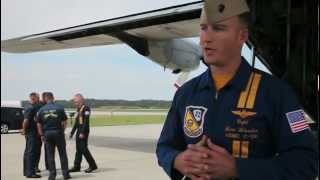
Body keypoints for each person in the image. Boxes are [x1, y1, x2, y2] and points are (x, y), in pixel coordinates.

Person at [156, 0, 318, 180]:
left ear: (242, 36)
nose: (205, 38)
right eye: (203, 28)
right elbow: (165, 147)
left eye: (218, 29)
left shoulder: (277, 94)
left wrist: (238, 168)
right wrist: (178, 160)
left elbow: (306, 163)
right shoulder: (186, 93)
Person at [36, 92, 71, 180]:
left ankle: (52, 175)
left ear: (45, 99)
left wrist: (41, 134)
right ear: (53, 97)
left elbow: (39, 123)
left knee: (50, 155)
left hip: (47, 134)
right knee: (62, 154)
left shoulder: (41, 109)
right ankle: (65, 174)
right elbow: (65, 121)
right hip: (58, 132)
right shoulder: (59, 108)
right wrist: (62, 131)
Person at [68, 93, 98, 173]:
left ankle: (93, 165)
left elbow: (86, 121)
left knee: (84, 149)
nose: (75, 103)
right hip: (79, 131)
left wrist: (82, 132)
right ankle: (76, 166)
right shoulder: (79, 109)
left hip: (83, 132)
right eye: (75, 102)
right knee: (78, 149)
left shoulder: (86, 108)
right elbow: (77, 122)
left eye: (76, 102)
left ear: (81, 100)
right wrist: (72, 132)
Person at [22, 92, 42, 178]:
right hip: (32, 133)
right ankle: (30, 173)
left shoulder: (32, 107)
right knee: (31, 152)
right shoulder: (31, 108)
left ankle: (27, 171)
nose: (39, 100)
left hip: (31, 133)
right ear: (36, 98)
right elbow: (25, 121)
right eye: (38, 98)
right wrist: (24, 130)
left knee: (28, 152)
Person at [34, 92, 50, 172]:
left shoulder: (46, 106)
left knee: (47, 149)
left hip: (45, 130)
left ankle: (48, 165)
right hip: (40, 131)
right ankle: (36, 166)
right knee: (37, 149)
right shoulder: (39, 106)